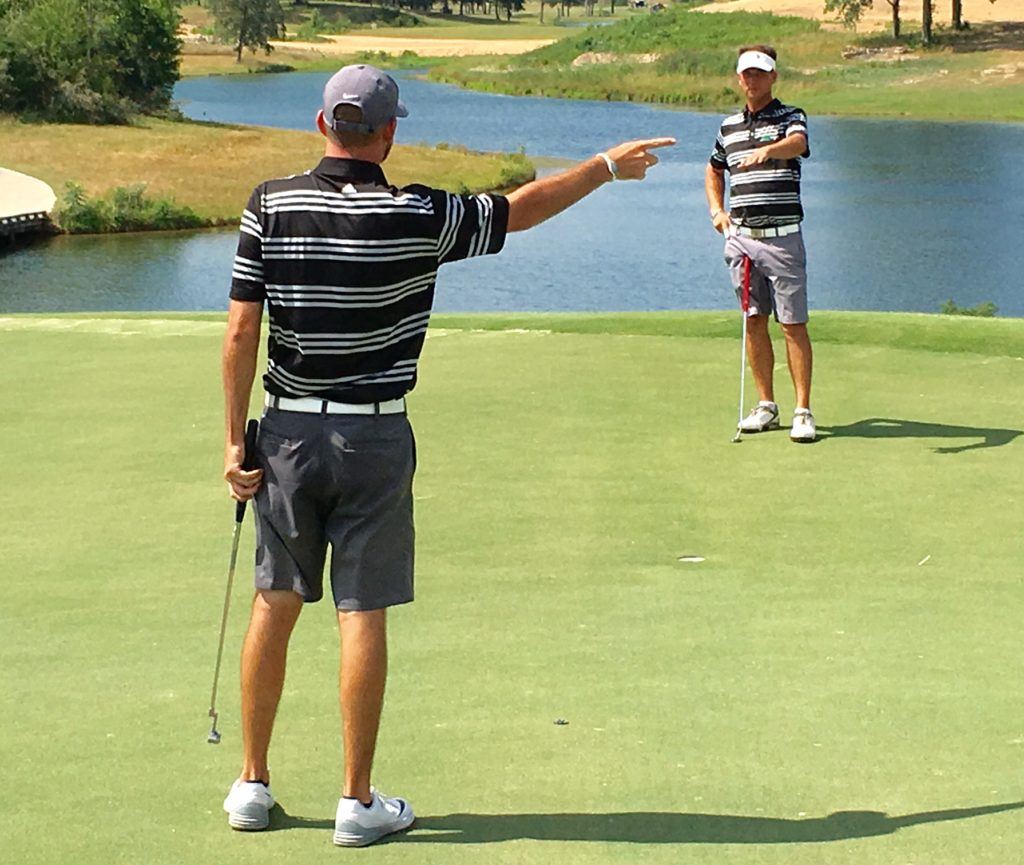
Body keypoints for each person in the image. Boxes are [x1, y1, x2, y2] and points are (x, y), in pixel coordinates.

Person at [220, 64, 675, 846]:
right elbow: (520, 209)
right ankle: (355, 802)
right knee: (362, 610)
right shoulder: (419, 212)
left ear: (321, 123)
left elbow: (239, 332)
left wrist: (235, 441)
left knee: (276, 598)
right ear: (390, 134)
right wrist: (603, 166)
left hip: (286, 433)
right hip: (376, 433)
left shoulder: (271, 203)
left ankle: (252, 784)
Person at [705, 45, 816, 443]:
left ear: (773, 77)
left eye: (759, 73)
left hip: (783, 237)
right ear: (739, 79)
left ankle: (803, 410)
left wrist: (767, 152)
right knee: (753, 321)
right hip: (742, 240)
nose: (752, 80)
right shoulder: (728, 126)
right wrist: (718, 212)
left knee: (792, 324)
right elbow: (714, 169)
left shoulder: (790, 117)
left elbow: (799, 144)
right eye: (746, 74)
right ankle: (766, 405)